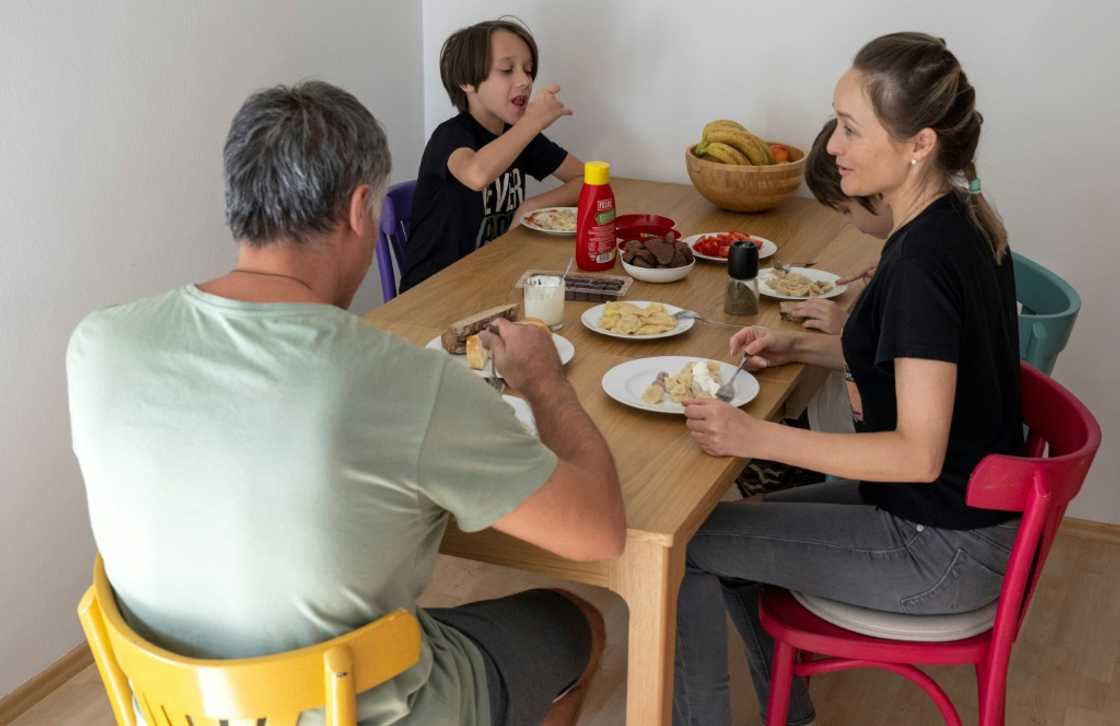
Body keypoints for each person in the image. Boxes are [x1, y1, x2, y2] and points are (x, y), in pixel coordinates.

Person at [67, 81, 625, 726]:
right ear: (362, 209)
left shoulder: (98, 341)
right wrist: (544, 381)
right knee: (577, 617)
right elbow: (599, 530)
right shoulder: (401, 380)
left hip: (177, 705)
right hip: (354, 708)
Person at [673, 33, 1022, 726]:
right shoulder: (956, 221)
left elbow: (916, 452)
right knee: (727, 531)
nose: (831, 145)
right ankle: (789, 712)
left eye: (850, 127)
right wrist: (802, 347)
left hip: (938, 547)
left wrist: (757, 435)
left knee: (686, 548)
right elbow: (926, 369)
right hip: (960, 523)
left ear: (918, 144)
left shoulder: (922, 261)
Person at [399, 18, 584, 291]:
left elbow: (589, 179)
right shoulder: (451, 136)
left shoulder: (519, 135)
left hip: (492, 277)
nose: (524, 81)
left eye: (528, 70)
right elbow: (476, 175)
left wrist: (530, 207)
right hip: (434, 291)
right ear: (466, 82)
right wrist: (532, 122)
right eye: (507, 70)